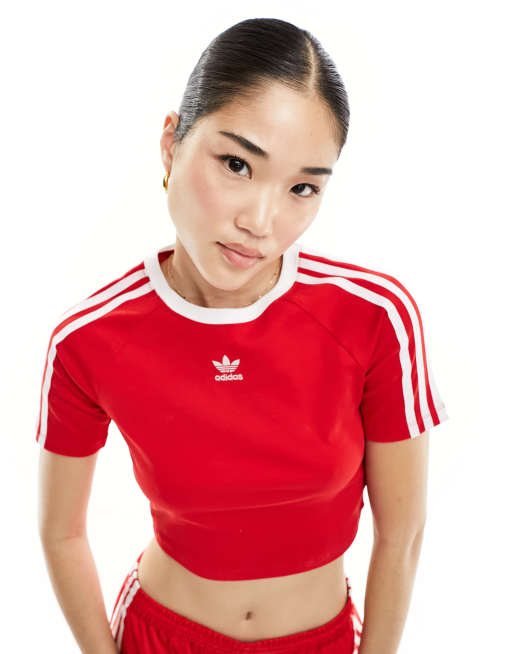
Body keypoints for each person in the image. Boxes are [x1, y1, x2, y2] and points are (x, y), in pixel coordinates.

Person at [36, 17, 449, 654]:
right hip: (158, 637)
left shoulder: (374, 317)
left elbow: (404, 535)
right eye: (237, 164)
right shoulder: (88, 339)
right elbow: (61, 532)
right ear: (171, 145)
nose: (261, 221)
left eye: (302, 187)